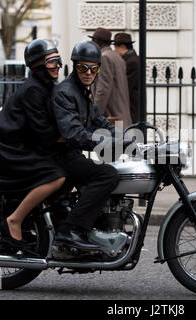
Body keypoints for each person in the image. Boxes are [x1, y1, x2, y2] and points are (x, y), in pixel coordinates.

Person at [0, 39, 67, 246]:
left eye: (58, 60)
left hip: (26, 148)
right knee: (56, 177)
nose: (57, 66)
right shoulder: (33, 89)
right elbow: (44, 133)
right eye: (51, 62)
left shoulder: (45, 86)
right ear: (37, 65)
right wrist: (71, 136)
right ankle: (15, 219)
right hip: (12, 154)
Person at [51, 40, 126, 250]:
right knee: (107, 175)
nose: (88, 73)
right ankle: (70, 230)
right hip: (61, 155)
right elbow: (74, 134)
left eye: (93, 69)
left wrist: (124, 136)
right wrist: (107, 143)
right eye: (83, 68)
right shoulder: (65, 92)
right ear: (75, 66)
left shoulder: (83, 91)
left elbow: (98, 121)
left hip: (71, 154)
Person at [89, 28, 132, 128]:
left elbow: (103, 89)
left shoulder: (104, 57)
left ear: (97, 42)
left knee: (116, 143)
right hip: (120, 115)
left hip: (112, 117)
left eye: (93, 41)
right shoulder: (116, 56)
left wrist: (94, 116)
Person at [113, 32, 140, 124]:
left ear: (122, 47)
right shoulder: (131, 59)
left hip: (131, 106)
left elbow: (125, 86)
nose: (115, 51)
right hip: (131, 106)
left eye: (115, 48)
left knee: (130, 132)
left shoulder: (131, 62)